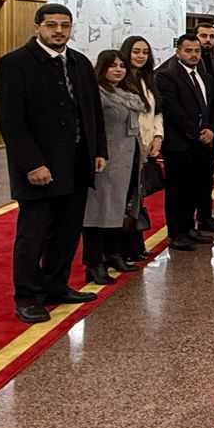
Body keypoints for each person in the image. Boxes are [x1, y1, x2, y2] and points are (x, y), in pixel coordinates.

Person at [0, 4, 107, 323]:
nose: (59, 30)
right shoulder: (14, 64)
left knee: (68, 231)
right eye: (51, 25)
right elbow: (10, 121)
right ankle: (28, 296)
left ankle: (56, 285)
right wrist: (32, 163)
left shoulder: (80, 63)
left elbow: (92, 111)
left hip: (77, 163)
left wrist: (98, 150)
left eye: (65, 25)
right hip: (39, 168)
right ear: (37, 27)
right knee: (34, 234)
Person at [81, 49, 146, 284]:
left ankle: (113, 253)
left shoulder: (127, 92)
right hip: (105, 161)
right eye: (112, 65)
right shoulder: (97, 94)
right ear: (102, 68)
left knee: (118, 209)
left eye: (121, 65)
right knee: (98, 211)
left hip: (128, 160)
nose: (118, 69)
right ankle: (94, 262)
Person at [155, 33, 214, 250]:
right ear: (178, 52)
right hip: (179, 144)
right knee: (178, 190)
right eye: (188, 51)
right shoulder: (167, 76)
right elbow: (173, 110)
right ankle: (176, 233)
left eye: (197, 51)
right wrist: (196, 132)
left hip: (202, 143)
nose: (193, 55)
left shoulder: (206, 77)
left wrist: (212, 129)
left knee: (196, 187)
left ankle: (189, 228)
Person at [188, 21, 214, 237]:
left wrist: (213, 126)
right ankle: (187, 222)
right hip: (191, 133)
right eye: (204, 36)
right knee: (190, 180)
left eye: (212, 36)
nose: (208, 40)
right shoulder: (180, 68)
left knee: (206, 177)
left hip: (211, 129)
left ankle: (205, 217)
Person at [120, 36, 164, 175]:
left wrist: (157, 137)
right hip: (127, 146)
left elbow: (156, 111)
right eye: (136, 52)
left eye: (145, 52)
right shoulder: (120, 80)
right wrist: (140, 143)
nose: (141, 56)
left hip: (150, 146)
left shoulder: (148, 78)